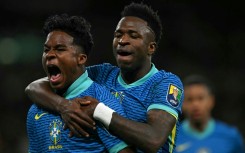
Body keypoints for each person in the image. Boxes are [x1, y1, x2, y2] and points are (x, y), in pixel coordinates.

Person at [25, 2, 184, 153]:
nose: (122, 40)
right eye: (118, 34)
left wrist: (99, 110)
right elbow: (34, 87)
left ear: (151, 47)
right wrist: (64, 106)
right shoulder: (102, 74)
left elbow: (154, 140)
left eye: (133, 35)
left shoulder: (165, 83)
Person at [26, 13, 135, 153]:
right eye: (46, 50)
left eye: (60, 49)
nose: (49, 54)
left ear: (81, 59)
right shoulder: (36, 109)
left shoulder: (101, 100)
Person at [175, 75, 245, 153]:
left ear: (211, 101)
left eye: (200, 98)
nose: (195, 105)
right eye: (189, 99)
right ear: (181, 104)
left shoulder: (231, 136)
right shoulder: (172, 139)